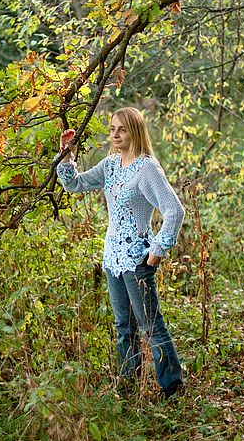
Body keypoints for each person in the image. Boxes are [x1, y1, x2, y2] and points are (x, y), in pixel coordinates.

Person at [55, 107, 185, 398]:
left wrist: (158, 250)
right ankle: (127, 389)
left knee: (151, 327)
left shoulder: (147, 168)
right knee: (123, 328)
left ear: (134, 132)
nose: (114, 134)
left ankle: (173, 390)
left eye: (122, 129)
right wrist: (67, 153)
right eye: (112, 128)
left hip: (138, 259)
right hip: (113, 259)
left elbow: (174, 209)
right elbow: (76, 184)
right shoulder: (111, 165)